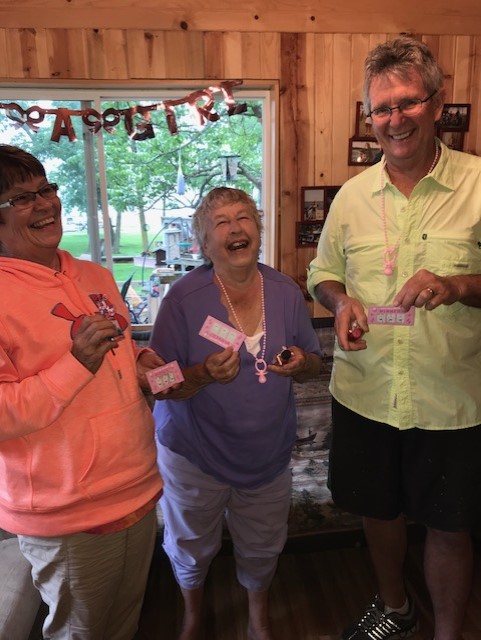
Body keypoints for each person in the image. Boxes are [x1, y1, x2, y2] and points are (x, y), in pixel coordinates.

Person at [307, 37, 481, 640]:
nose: (394, 119)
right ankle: (396, 608)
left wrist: (457, 286)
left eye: (408, 102)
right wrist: (340, 301)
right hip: (366, 393)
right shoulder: (352, 197)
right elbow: (321, 273)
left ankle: (448, 632)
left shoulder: (478, 184)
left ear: (437, 103)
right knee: (377, 510)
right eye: (381, 108)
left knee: (450, 526)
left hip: (452, 398)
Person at [0, 144, 168, 639]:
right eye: (22, 198)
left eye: (46, 189)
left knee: (124, 623)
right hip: (66, 510)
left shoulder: (94, 274)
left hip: (136, 482)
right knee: (82, 632)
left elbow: (119, 353)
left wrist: (140, 362)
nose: (45, 204)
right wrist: (77, 364)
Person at [149, 186, 322, 640]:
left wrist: (302, 363)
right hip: (194, 454)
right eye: (221, 222)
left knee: (263, 544)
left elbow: (315, 361)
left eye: (244, 217)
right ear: (205, 244)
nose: (235, 228)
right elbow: (156, 381)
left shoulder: (284, 291)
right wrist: (201, 374)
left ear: (258, 231)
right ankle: (192, 616)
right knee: (190, 544)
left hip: (266, 453)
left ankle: (257, 618)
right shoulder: (183, 299)